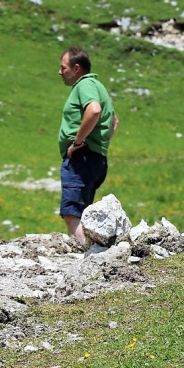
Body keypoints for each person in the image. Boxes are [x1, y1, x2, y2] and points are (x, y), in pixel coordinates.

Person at [57, 47, 119, 244]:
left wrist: (78, 142)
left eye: (63, 67)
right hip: (96, 157)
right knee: (83, 212)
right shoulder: (99, 86)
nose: (60, 72)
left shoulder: (84, 85)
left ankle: (87, 258)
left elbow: (93, 110)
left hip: (81, 158)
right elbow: (114, 122)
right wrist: (100, 145)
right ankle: (92, 255)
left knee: (71, 213)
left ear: (76, 68)